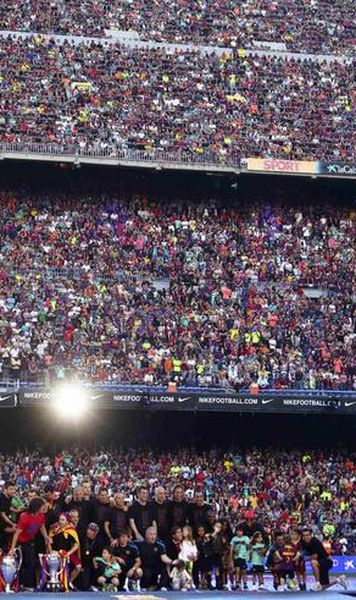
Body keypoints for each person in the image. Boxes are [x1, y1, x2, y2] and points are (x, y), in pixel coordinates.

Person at [9, 497, 51, 592]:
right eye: (42, 506)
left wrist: (46, 537)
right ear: (37, 507)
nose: (44, 508)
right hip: (20, 542)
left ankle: (28, 585)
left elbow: (42, 526)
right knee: (20, 564)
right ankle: (17, 585)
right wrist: (12, 548)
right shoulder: (25, 517)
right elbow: (17, 533)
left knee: (31, 563)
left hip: (30, 542)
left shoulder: (41, 516)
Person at [138, 526, 177, 591]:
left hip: (157, 566)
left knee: (165, 568)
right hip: (145, 567)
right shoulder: (140, 544)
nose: (153, 536)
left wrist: (172, 562)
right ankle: (145, 586)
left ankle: (162, 586)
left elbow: (164, 557)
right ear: (146, 535)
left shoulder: (160, 545)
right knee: (147, 572)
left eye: (154, 534)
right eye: (151, 534)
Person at [49, 513, 81, 588]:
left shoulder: (71, 530)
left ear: (67, 521)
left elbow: (76, 545)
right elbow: (49, 541)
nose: (60, 521)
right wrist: (50, 551)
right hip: (55, 552)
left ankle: (69, 581)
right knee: (54, 563)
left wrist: (68, 553)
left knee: (78, 566)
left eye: (63, 520)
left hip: (67, 552)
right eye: (60, 519)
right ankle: (55, 582)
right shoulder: (55, 529)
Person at [230, 525, 250, 590]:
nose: (239, 533)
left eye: (240, 531)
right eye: (237, 531)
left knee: (244, 571)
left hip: (243, 557)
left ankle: (245, 584)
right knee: (237, 570)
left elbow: (249, 546)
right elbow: (231, 548)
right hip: (236, 557)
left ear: (243, 532)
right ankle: (237, 583)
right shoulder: (234, 539)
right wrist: (231, 557)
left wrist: (246, 544)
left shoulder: (246, 538)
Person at [0, 482, 17, 552]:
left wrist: (16, 510)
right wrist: (12, 524)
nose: (13, 491)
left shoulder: (9, 497)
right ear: (5, 489)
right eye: (11, 489)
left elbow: (7, 507)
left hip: (5, 521)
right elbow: (3, 515)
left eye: (14, 489)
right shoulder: (1, 499)